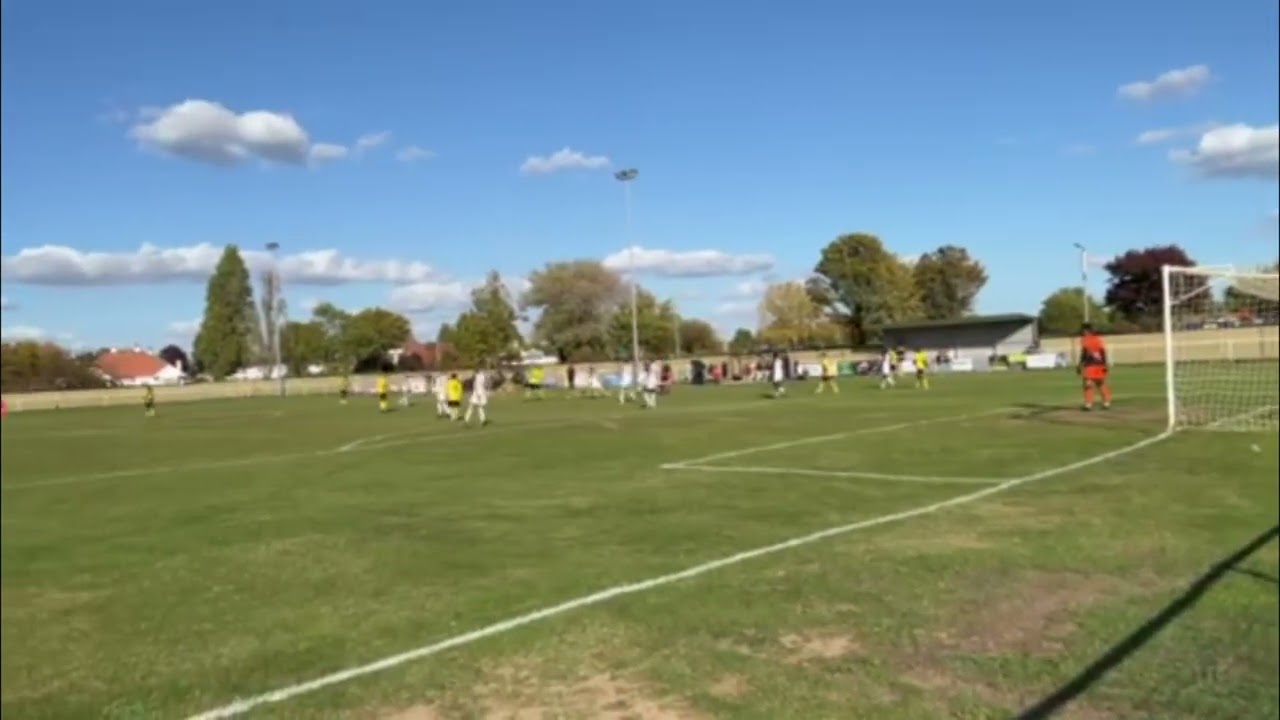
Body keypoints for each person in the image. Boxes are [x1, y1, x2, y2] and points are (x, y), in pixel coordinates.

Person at [1078, 323, 1112, 410]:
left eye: (1083, 330)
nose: (1082, 332)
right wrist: (1104, 364)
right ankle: (1106, 402)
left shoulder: (1084, 339)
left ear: (1086, 330)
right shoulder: (1098, 339)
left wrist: (1080, 364)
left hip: (1090, 365)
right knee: (1100, 383)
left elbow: (1084, 353)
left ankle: (1088, 404)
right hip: (1099, 364)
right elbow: (1102, 352)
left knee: (1088, 384)